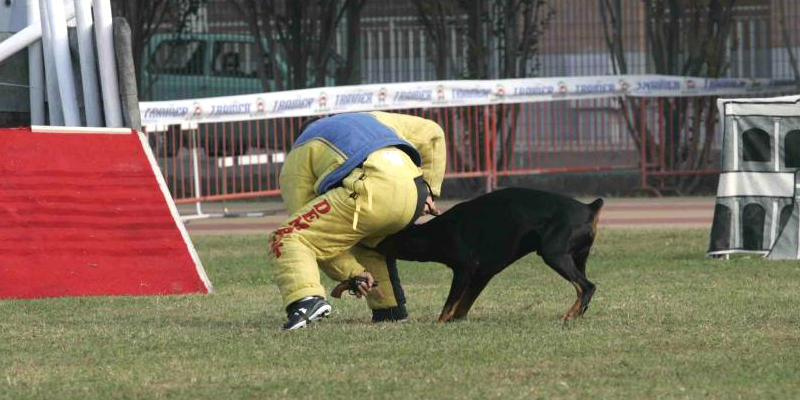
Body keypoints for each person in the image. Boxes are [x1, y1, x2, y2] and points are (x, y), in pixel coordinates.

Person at [268, 111, 446, 330]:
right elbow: (433, 132)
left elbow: (315, 239)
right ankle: (390, 311)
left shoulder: (299, 152)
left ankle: (306, 301)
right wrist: (430, 188)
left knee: (288, 236)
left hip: (369, 190)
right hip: (414, 191)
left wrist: (352, 273)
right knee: (368, 240)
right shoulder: (369, 117)